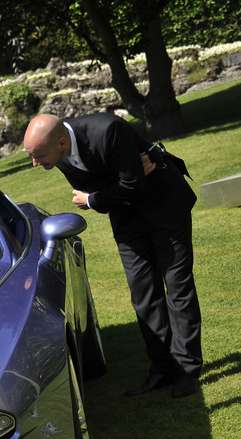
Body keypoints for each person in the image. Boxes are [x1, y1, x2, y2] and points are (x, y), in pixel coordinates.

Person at [23, 113, 202, 398]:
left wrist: (94, 198)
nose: (35, 163)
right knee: (143, 296)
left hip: (166, 209)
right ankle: (162, 368)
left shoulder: (108, 130)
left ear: (60, 141)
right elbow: (122, 184)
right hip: (127, 220)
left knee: (178, 289)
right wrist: (122, 180)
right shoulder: (55, 154)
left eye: (38, 155)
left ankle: (188, 370)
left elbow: (116, 189)